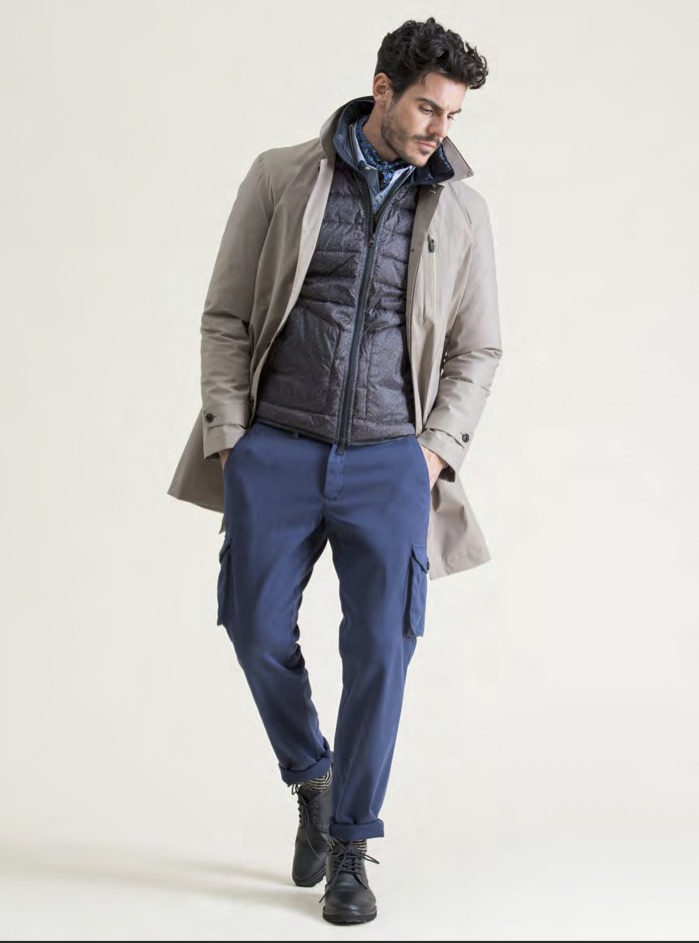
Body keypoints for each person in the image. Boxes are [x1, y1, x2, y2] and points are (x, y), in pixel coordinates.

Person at [167, 15, 502, 925]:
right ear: (382, 89)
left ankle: (350, 846)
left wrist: (433, 451)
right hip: (277, 444)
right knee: (250, 622)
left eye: (453, 114)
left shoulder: (461, 211)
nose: (439, 128)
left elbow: (477, 348)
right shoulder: (283, 175)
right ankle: (311, 775)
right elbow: (226, 314)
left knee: (381, 651)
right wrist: (232, 436)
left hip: (391, 459)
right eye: (427, 107)